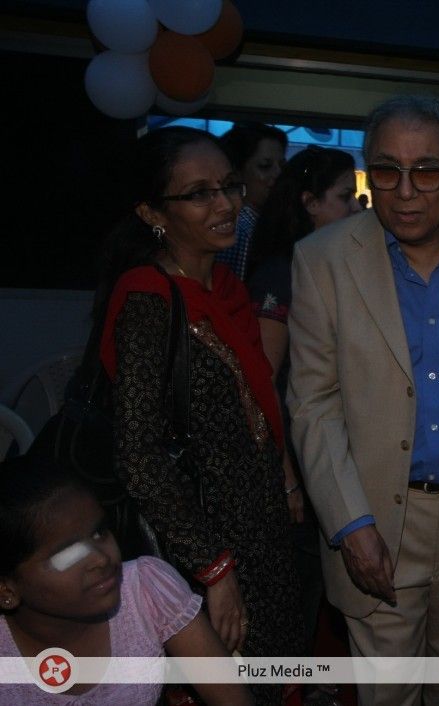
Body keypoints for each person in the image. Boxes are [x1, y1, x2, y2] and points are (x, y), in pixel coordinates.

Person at [287, 96, 439, 706]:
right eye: (387, 170)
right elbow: (313, 402)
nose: (406, 191)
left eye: (427, 171)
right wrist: (348, 522)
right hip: (378, 517)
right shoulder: (323, 259)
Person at [95, 126, 302, 705]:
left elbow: (257, 400)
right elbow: (137, 454)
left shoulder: (229, 288)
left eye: (230, 186)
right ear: (151, 212)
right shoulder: (149, 298)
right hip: (202, 545)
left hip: (261, 529)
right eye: (200, 193)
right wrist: (215, 571)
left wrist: (283, 474)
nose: (225, 204)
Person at [246, 146, 361, 706]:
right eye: (346, 198)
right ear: (310, 203)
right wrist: (286, 476)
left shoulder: (340, 263)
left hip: (330, 454)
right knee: (292, 595)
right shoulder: (283, 271)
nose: (359, 206)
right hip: (292, 460)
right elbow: (264, 383)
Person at [0, 454, 252, 706]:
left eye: (99, 533)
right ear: (6, 590)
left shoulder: (145, 589)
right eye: (68, 555)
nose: (101, 559)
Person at [216, 122, 289, 279]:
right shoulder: (239, 229)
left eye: (283, 166)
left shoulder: (263, 223)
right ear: (236, 173)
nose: (278, 173)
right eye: (265, 166)